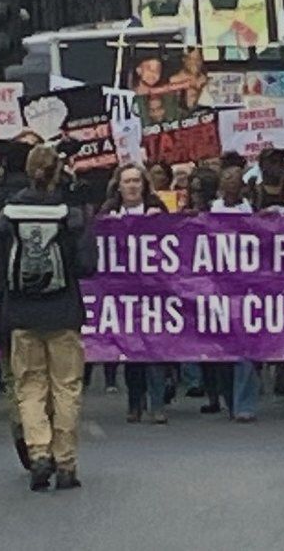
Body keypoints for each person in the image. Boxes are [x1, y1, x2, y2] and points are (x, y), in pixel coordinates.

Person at [0, 144, 97, 492]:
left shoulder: (8, 214)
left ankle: (38, 452)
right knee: (66, 387)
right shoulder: (70, 214)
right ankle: (65, 463)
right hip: (63, 311)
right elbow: (87, 265)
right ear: (57, 173)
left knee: (30, 385)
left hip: (21, 312)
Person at [103, 165, 172, 424]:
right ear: (119, 186)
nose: (132, 186)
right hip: (124, 293)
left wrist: (161, 223)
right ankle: (135, 403)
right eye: (127, 181)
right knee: (132, 352)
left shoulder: (157, 209)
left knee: (155, 350)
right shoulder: (109, 212)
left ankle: (157, 405)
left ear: (144, 185)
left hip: (154, 292)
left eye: (136, 181)